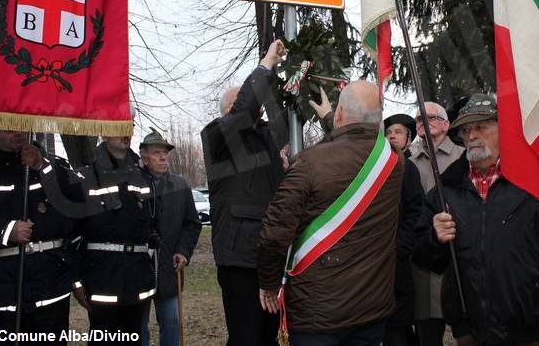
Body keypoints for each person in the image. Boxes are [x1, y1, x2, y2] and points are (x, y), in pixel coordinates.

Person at [416, 93, 539, 346]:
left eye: (481, 127)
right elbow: (424, 257)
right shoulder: (445, 190)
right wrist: (434, 238)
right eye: (465, 130)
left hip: (531, 330)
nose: (471, 136)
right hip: (469, 329)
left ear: (504, 130)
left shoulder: (536, 185)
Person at [258, 81, 404, 346]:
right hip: (372, 308)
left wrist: (269, 283)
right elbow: (359, 148)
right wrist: (331, 119)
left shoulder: (308, 163)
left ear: (339, 115)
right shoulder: (394, 160)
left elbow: (275, 234)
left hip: (317, 313)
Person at [201, 39, 287, 346]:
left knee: (270, 336)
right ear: (227, 110)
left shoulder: (267, 137)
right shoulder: (217, 136)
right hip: (240, 258)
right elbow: (243, 110)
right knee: (246, 337)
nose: (255, 107)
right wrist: (267, 64)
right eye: (238, 104)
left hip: (272, 254)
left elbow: (283, 120)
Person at [0, 130, 79, 345]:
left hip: (49, 291)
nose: (18, 132)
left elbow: (79, 198)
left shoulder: (50, 169)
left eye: (22, 125)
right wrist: (5, 232)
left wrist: (41, 166)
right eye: (9, 126)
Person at [72, 135, 157, 344]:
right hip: (102, 279)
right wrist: (75, 281)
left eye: (129, 126)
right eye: (119, 126)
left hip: (136, 278)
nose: (125, 132)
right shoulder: (86, 176)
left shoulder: (143, 177)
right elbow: (73, 234)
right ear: (105, 131)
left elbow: (153, 224)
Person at [409, 101, 464, 346]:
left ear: (446, 124)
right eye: (419, 119)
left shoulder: (464, 158)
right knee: (427, 336)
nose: (424, 122)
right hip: (421, 262)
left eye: (430, 117)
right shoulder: (407, 162)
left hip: (458, 259)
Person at [139, 130, 201, 346]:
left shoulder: (181, 185)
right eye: (157, 153)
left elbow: (192, 224)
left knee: (172, 322)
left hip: (169, 269)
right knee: (139, 327)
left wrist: (183, 252)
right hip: (138, 270)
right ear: (144, 157)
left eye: (165, 152)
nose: (163, 157)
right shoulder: (133, 186)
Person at [383, 114, 424, 346]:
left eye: (397, 132)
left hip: (398, 259)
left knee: (399, 327)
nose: (392, 136)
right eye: (388, 133)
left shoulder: (408, 168)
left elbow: (414, 212)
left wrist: (400, 246)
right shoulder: (379, 166)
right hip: (377, 261)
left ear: (408, 138)